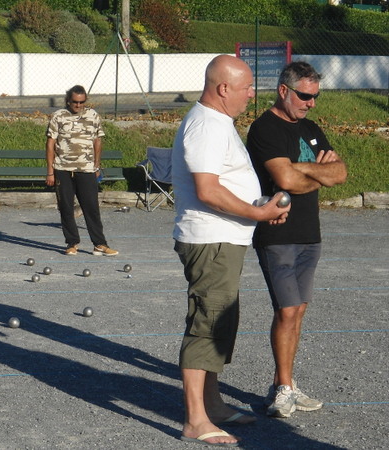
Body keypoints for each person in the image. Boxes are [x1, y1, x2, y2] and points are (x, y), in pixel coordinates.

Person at [172, 55, 290, 447]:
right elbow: (207, 190)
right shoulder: (206, 125)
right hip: (211, 240)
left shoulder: (218, 123)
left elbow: (224, 185)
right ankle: (195, 420)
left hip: (223, 238)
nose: (252, 95)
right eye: (246, 88)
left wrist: (260, 207)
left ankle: (213, 406)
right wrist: (257, 211)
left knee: (220, 323)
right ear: (223, 88)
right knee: (207, 324)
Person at [246, 62, 347, 418]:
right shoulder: (264, 129)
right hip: (277, 233)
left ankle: (284, 384)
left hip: (309, 234)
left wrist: (302, 170)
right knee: (287, 310)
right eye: (305, 96)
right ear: (284, 91)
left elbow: (341, 172)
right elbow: (285, 179)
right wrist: (317, 173)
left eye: (316, 97)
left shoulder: (311, 128)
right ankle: (283, 389)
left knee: (298, 310)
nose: (311, 103)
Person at [45, 85, 118, 257]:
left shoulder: (93, 116)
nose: (78, 106)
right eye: (75, 102)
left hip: (86, 169)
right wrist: (50, 171)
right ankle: (72, 243)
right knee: (66, 207)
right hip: (62, 168)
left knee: (91, 207)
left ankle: (100, 244)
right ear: (68, 101)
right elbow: (50, 144)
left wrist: (96, 166)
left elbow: (98, 141)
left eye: (82, 102)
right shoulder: (58, 116)